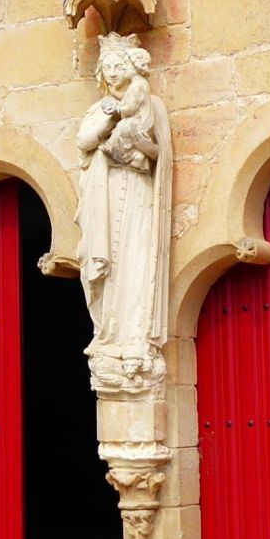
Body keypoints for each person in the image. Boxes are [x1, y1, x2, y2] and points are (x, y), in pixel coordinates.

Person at [75, 34, 172, 393]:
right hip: (104, 196)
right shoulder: (99, 110)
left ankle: (134, 338)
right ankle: (108, 336)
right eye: (108, 68)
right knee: (106, 268)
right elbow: (84, 141)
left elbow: (159, 153)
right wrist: (110, 120)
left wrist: (135, 139)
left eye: (119, 66)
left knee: (134, 261)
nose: (113, 73)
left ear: (131, 69)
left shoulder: (150, 105)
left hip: (137, 193)